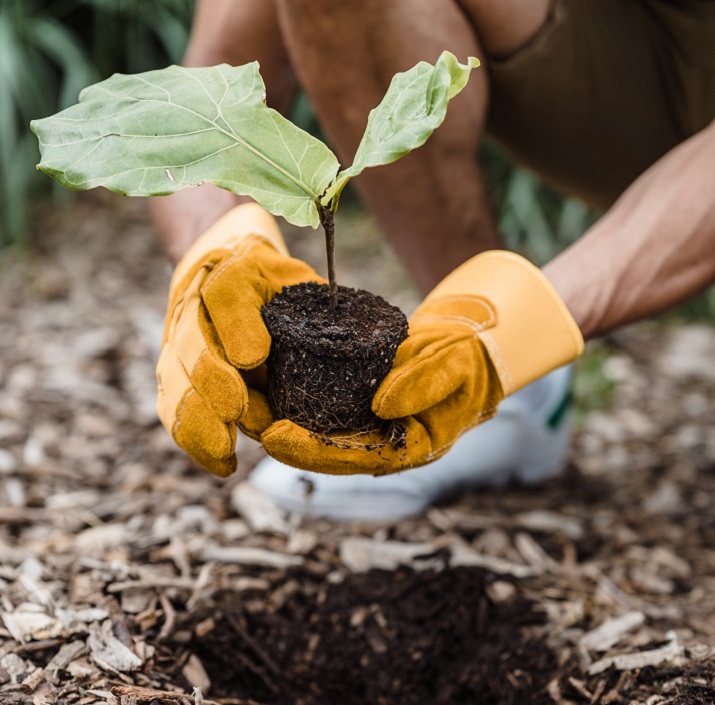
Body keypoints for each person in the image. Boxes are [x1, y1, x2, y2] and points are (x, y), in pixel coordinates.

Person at [153, 0, 715, 521]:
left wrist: (511, 325)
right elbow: (202, 104)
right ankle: (507, 404)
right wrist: (216, 249)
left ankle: (496, 381)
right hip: (617, 78)